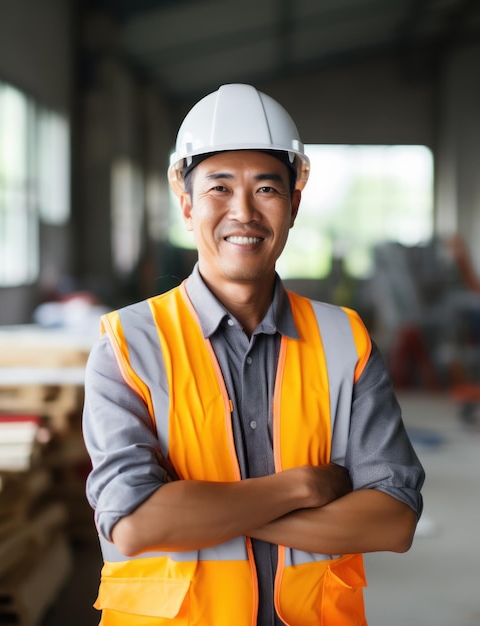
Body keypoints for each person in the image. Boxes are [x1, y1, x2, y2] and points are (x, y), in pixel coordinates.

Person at [82, 83, 425, 626]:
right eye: (219, 187)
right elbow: (136, 524)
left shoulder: (346, 340)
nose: (243, 211)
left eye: (266, 188)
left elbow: (393, 522)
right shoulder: (128, 346)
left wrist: (199, 513)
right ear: (186, 202)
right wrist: (304, 487)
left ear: (294, 201)